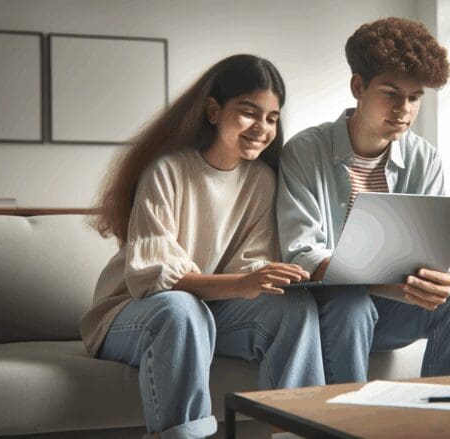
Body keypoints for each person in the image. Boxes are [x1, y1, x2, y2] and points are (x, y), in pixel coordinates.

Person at [80, 54, 323, 439]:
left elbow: (250, 270)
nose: (262, 127)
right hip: (134, 313)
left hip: (209, 312)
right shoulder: (167, 171)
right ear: (213, 110)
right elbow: (153, 277)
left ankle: (300, 432)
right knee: (181, 309)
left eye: (272, 118)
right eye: (249, 112)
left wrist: (263, 279)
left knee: (294, 308)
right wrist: (241, 284)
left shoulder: (262, 180)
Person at [277, 17, 450, 384]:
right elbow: (301, 253)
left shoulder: (425, 158)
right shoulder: (305, 151)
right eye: (391, 93)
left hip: (394, 304)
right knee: (350, 303)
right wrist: (377, 283)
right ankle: (348, 421)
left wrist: (430, 279)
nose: (404, 109)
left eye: (415, 97)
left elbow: (428, 251)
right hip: (334, 306)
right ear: (358, 86)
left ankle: (449, 416)